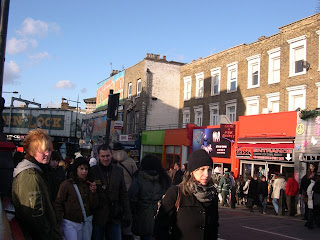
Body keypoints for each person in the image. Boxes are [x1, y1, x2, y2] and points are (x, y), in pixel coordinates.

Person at [154, 149, 219, 240]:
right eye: (202, 169)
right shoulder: (176, 193)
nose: (206, 174)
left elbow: (214, 228)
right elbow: (160, 227)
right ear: (192, 171)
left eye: (209, 170)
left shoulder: (212, 195)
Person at [11, 129, 62, 239]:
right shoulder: (30, 176)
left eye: (49, 149)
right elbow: (35, 217)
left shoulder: (37, 172)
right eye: (43, 150)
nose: (47, 153)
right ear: (32, 151)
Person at [90, 144, 132, 240]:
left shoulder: (118, 170)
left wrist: (127, 213)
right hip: (99, 215)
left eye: (107, 156)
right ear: (98, 156)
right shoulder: (93, 171)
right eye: (103, 156)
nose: (105, 159)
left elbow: (123, 193)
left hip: (114, 215)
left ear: (111, 154)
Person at [128, 154, 171, 240]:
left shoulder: (138, 179)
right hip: (161, 217)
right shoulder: (164, 179)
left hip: (141, 217)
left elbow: (131, 199)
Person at [55, 157, 98, 239]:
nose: (84, 171)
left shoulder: (88, 184)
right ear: (76, 169)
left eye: (86, 169)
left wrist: (93, 193)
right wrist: (59, 222)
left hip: (85, 222)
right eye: (81, 168)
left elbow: (94, 205)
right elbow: (58, 203)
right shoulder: (67, 184)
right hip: (70, 222)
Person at [113, 142, 138, 240]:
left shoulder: (110, 160)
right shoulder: (130, 161)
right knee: (127, 211)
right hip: (129, 190)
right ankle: (127, 232)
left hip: (116, 191)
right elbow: (135, 175)